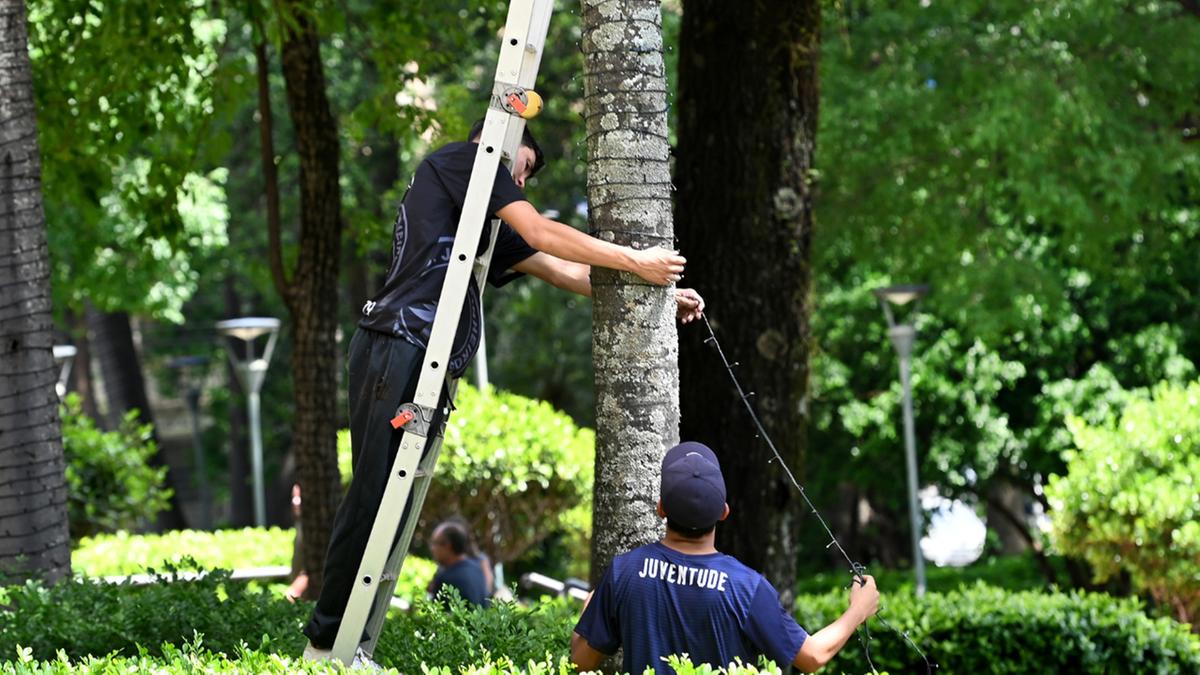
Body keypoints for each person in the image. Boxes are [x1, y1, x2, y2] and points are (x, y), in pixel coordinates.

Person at [302, 120, 705, 665]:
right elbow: (541, 233)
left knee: (390, 506)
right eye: (527, 167)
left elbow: (563, 270)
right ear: (505, 142)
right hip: (396, 343)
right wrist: (638, 259)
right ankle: (325, 642)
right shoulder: (469, 161)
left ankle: (343, 640)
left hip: (413, 350)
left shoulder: (478, 216)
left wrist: (663, 295)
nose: (524, 180)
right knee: (373, 495)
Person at [570, 442, 880, 674]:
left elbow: (582, 661)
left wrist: (590, 607)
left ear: (661, 508)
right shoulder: (746, 586)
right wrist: (858, 610)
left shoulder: (624, 572)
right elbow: (812, 656)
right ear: (724, 512)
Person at [427, 520, 490, 607]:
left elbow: (436, 615)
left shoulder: (447, 578)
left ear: (447, 545)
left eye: (434, 543)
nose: (432, 549)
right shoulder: (477, 569)